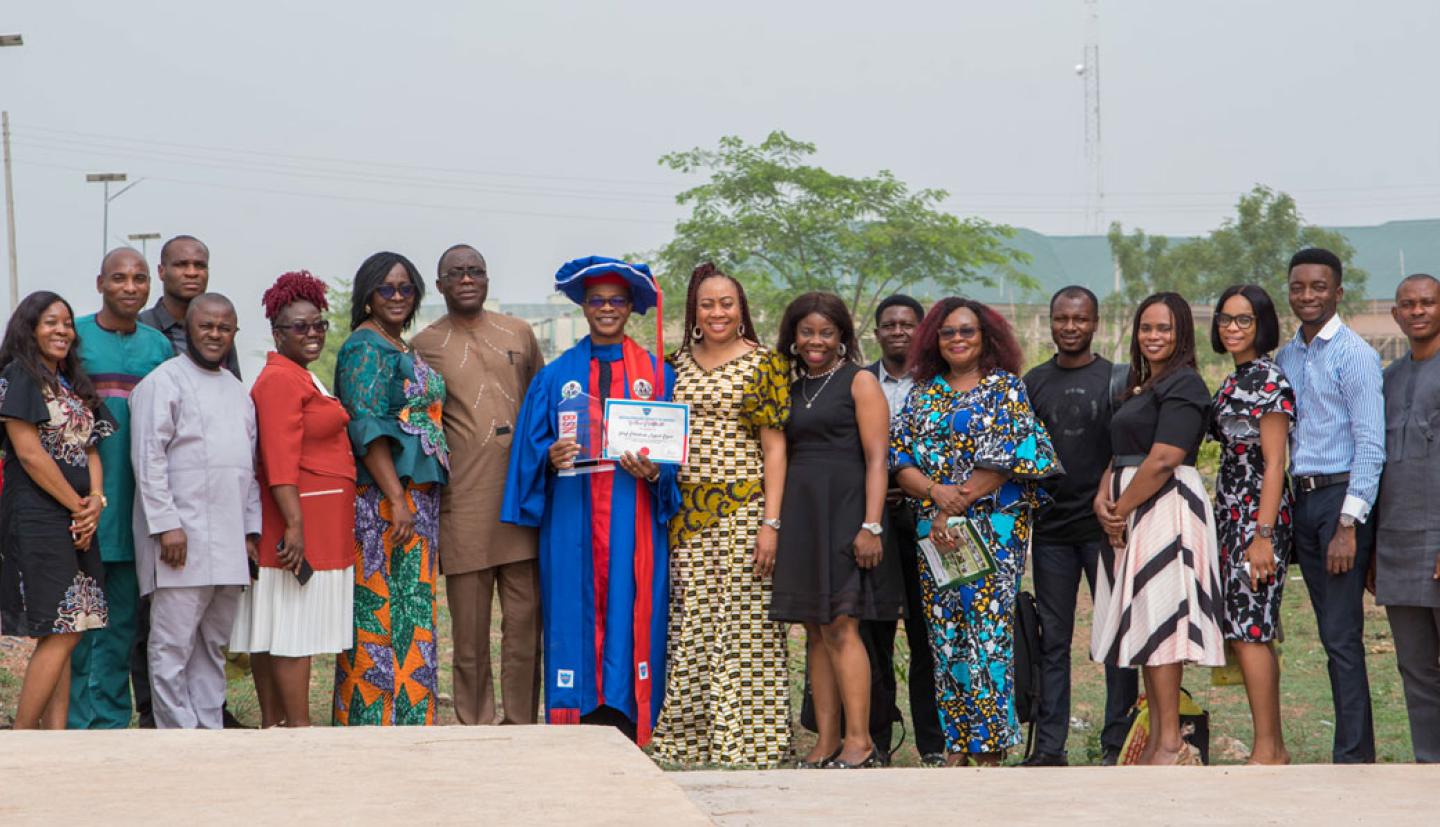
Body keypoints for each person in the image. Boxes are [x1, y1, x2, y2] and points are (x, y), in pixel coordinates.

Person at [502, 255, 680, 745]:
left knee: (631, 598)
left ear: (629, 307)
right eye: (597, 301)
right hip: (573, 511)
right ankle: (574, 708)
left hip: (631, 510)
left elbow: (673, 460)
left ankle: (626, 709)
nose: (606, 309)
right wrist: (549, 453)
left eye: (616, 301)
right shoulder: (557, 376)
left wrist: (655, 470)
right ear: (583, 306)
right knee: (572, 601)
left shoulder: (657, 374)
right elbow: (528, 451)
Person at [891, 296, 1059, 766]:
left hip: (993, 526)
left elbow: (1016, 456)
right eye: (948, 332)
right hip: (935, 529)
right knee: (945, 633)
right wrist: (934, 496)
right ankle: (957, 744)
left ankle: (990, 745)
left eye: (967, 331)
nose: (958, 339)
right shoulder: (922, 393)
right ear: (934, 340)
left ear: (985, 337)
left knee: (988, 634)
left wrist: (955, 501)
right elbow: (899, 460)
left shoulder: (1005, 389)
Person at [651, 263, 792, 767]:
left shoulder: (765, 364)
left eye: (726, 304)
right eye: (708, 304)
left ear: (741, 310)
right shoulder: (673, 365)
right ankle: (687, 742)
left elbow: (775, 450)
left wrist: (770, 525)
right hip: (686, 515)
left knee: (745, 626)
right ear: (695, 310)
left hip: (745, 509)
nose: (717, 312)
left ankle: (754, 744)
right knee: (689, 625)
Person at [411, 244, 544, 727]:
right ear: (441, 284)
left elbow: (542, 407)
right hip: (463, 504)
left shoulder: (520, 333)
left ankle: (522, 720)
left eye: (475, 271)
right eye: (455, 273)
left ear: (487, 279)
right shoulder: (424, 345)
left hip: (522, 502)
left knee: (525, 625)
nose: (467, 279)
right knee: (468, 630)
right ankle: (475, 722)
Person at [1092, 292, 1224, 766]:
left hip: (1164, 507)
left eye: (1163, 329)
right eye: (1146, 328)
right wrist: (1104, 494)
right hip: (1135, 507)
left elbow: (1166, 457)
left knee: (1164, 622)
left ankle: (1170, 744)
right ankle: (1158, 739)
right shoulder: (1142, 385)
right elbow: (1124, 449)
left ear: (1182, 333)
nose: (1153, 337)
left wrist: (1120, 508)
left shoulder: (1185, 385)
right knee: (1148, 622)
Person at [770, 291, 901, 770]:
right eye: (807, 332)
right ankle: (824, 741)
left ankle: (860, 740)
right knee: (814, 627)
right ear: (793, 336)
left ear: (843, 336)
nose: (816, 341)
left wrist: (871, 525)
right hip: (803, 513)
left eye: (826, 332)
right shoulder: (790, 384)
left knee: (843, 625)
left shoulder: (859, 381)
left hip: (847, 513)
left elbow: (877, 459)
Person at [229, 272, 357, 728]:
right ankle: (297, 729)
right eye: (299, 327)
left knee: (278, 626)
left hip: (313, 519)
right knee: (290, 630)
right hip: (299, 524)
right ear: (277, 333)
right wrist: (295, 528)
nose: (313, 334)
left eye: (318, 325)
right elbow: (278, 460)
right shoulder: (280, 379)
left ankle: (277, 724)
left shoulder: (300, 375)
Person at [130, 293, 260, 729]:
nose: (215, 334)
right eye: (206, 326)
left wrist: (251, 533)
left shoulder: (239, 392)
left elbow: (249, 470)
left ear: (234, 333)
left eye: (224, 327)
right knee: (171, 647)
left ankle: (209, 732)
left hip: (228, 543)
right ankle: (177, 736)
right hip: (178, 543)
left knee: (212, 647)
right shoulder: (163, 382)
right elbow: (148, 460)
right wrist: (166, 525)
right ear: (188, 328)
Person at [1021, 285, 1138, 767]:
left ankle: (1117, 743)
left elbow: (1130, 444)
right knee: (1053, 640)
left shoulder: (1117, 379)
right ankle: (1050, 748)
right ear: (1050, 322)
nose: (1071, 327)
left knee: (1116, 637)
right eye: (1062, 319)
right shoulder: (1032, 382)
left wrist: (1111, 504)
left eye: (1081, 319)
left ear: (1095, 322)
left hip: (1105, 528)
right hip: (1050, 531)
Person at [1274, 247, 1383, 764]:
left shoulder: (1355, 354)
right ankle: (1349, 747)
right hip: (1303, 500)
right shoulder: (1288, 355)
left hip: (1340, 502)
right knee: (1326, 631)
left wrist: (1349, 523)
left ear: (1337, 293)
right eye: (1298, 287)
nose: (1307, 296)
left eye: (1318, 287)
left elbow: (1371, 444)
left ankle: (1354, 757)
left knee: (1342, 636)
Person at [331, 252, 449, 726]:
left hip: (414, 502)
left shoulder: (397, 344)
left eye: (406, 288)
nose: (398, 296)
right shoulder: (365, 348)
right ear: (367, 296)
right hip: (384, 504)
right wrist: (397, 499)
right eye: (387, 289)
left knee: (411, 614)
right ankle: (371, 724)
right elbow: (365, 425)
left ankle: (410, 719)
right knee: (380, 615)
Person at [67, 249, 173, 729]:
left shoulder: (158, 347)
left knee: (122, 625)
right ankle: (73, 722)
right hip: (83, 504)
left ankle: (110, 723)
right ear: (100, 283)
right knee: (78, 625)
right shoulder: (77, 337)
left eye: (139, 278)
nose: (130, 287)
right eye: (119, 278)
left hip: (139, 508)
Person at [0, 291, 115, 729]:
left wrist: (95, 503)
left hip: (77, 518)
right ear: (30, 328)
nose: (62, 330)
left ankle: (57, 738)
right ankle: (22, 735)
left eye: (67, 323)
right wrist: (77, 507)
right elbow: (30, 455)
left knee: (69, 627)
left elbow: (92, 449)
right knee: (63, 627)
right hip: (37, 518)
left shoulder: (71, 384)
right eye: (51, 322)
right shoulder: (19, 376)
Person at [1208, 284, 1295, 765]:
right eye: (1226, 319)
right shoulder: (1233, 380)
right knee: (1245, 628)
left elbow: (1276, 462)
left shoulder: (1268, 381)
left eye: (1244, 320)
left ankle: (1267, 749)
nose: (1233, 328)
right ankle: (1273, 746)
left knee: (1252, 630)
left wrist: (1261, 537)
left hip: (1257, 520)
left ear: (1262, 325)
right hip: (1230, 516)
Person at [864, 293, 945, 765]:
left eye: (908, 324)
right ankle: (875, 739)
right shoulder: (858, 382)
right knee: (874, 632)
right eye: (889, 324)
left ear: (922, 331)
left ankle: (932, 744)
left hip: (923, 519)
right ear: (876, 333)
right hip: (872, 521)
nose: (898, 331)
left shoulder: (936, 385)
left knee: (925, 633)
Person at [1373, 273, 1440, 763]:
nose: (1417, 311)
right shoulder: (1389, 378)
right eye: (1408, 305)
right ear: (1396, 314)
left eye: (1428, 303)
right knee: (1415, 668)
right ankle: (1427, 768)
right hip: (1396, 542)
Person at [137, 235, 240, 379]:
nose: (192, 273)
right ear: (161, 271)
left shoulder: (217, 332)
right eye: (181, 264)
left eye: (200, 265)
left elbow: (233, 387)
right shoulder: (141, 327)